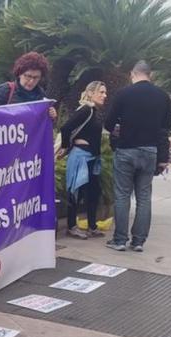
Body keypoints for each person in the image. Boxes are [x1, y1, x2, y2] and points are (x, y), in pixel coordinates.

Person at [103, 60, 171, 252]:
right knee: (144, 197)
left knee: (122, 195)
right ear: (150, 75)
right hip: (150, 151)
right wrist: (163, 156)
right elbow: (166, 127)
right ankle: (139, 241)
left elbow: (109, 123)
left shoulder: (124, 94)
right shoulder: (162, 96)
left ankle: (119, 240)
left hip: (126, 149)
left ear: (132, 74)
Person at [58, 81, 108, 239]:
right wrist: (67, 146)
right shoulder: (86, 110)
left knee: (93, 193)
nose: (104, 95)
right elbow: (66, 128)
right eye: (101, 92)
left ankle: (92, 226)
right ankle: (72, 226)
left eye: (104, 92)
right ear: (91, 93)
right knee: (76, 193)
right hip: (81, 157)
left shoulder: (94, 111)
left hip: (92, 158)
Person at [0, 51, 57, 120]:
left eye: (36, 77)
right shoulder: (5, 91)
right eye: (28, 76)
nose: (31, 81)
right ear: (20, 74)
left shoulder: (41, 94)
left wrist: (51, 115)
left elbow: (42, 123)